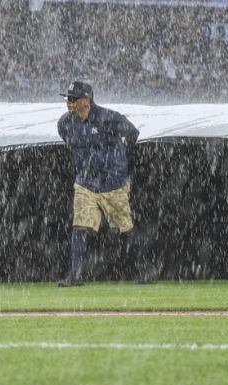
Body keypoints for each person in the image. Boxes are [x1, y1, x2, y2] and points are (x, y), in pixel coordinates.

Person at [56, 81, 147, 286]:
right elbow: (71, 144)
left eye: (73, 99)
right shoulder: (65, 123)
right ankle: (76, 275)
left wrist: (120, 162)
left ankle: (142, 272)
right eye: (68, 99)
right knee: (79, 225)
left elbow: (132, 134)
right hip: (86, 183)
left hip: (114, 183)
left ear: (86, 101)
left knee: (125, 227)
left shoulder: (109, 117)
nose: (69, 103)